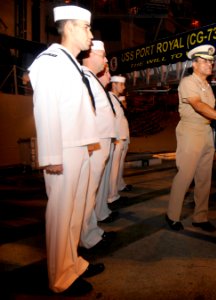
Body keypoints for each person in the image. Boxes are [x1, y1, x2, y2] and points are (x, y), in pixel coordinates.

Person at [28, 5, 104, 295]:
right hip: (64, 149)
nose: (90, 33)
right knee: (62, 216)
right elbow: (45, 110)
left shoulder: (71, 63)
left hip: (81, 146)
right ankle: (60, 278)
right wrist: (51, 157)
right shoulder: (50, 61)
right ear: (70, 27)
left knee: (75, 214)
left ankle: (73, 264)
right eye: (86, 28)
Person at [165, 44, 216, 232]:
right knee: (185, 176)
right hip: (190, 132)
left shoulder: (207, 85)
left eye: (211, 61)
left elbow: (207, 110)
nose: (210, 64)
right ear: (195, 64)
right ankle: (172, 215)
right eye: (205, 61)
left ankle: (200, 217)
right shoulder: (188, 82)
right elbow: (198, 106)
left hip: (206, 131)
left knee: (204, 178)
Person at [79, 40, 117, 251]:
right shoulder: (85, 78)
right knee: (87, 193)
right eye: (102, 56)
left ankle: (92, 232)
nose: (105, 60)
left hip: (99, 142)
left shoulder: (91, 79)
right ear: (91, 55)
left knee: (91, 193)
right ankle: (88, 238)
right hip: (94, 143)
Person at [107, 75, 131, 208]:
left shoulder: (116, 99)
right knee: (113, 169)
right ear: (114, 85)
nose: (124, 87)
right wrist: (115, 138)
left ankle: (115, 192)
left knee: (118, 168)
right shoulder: (110, 98)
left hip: (122, 137)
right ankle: (111, 197)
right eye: (121, 85)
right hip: (116, 139)